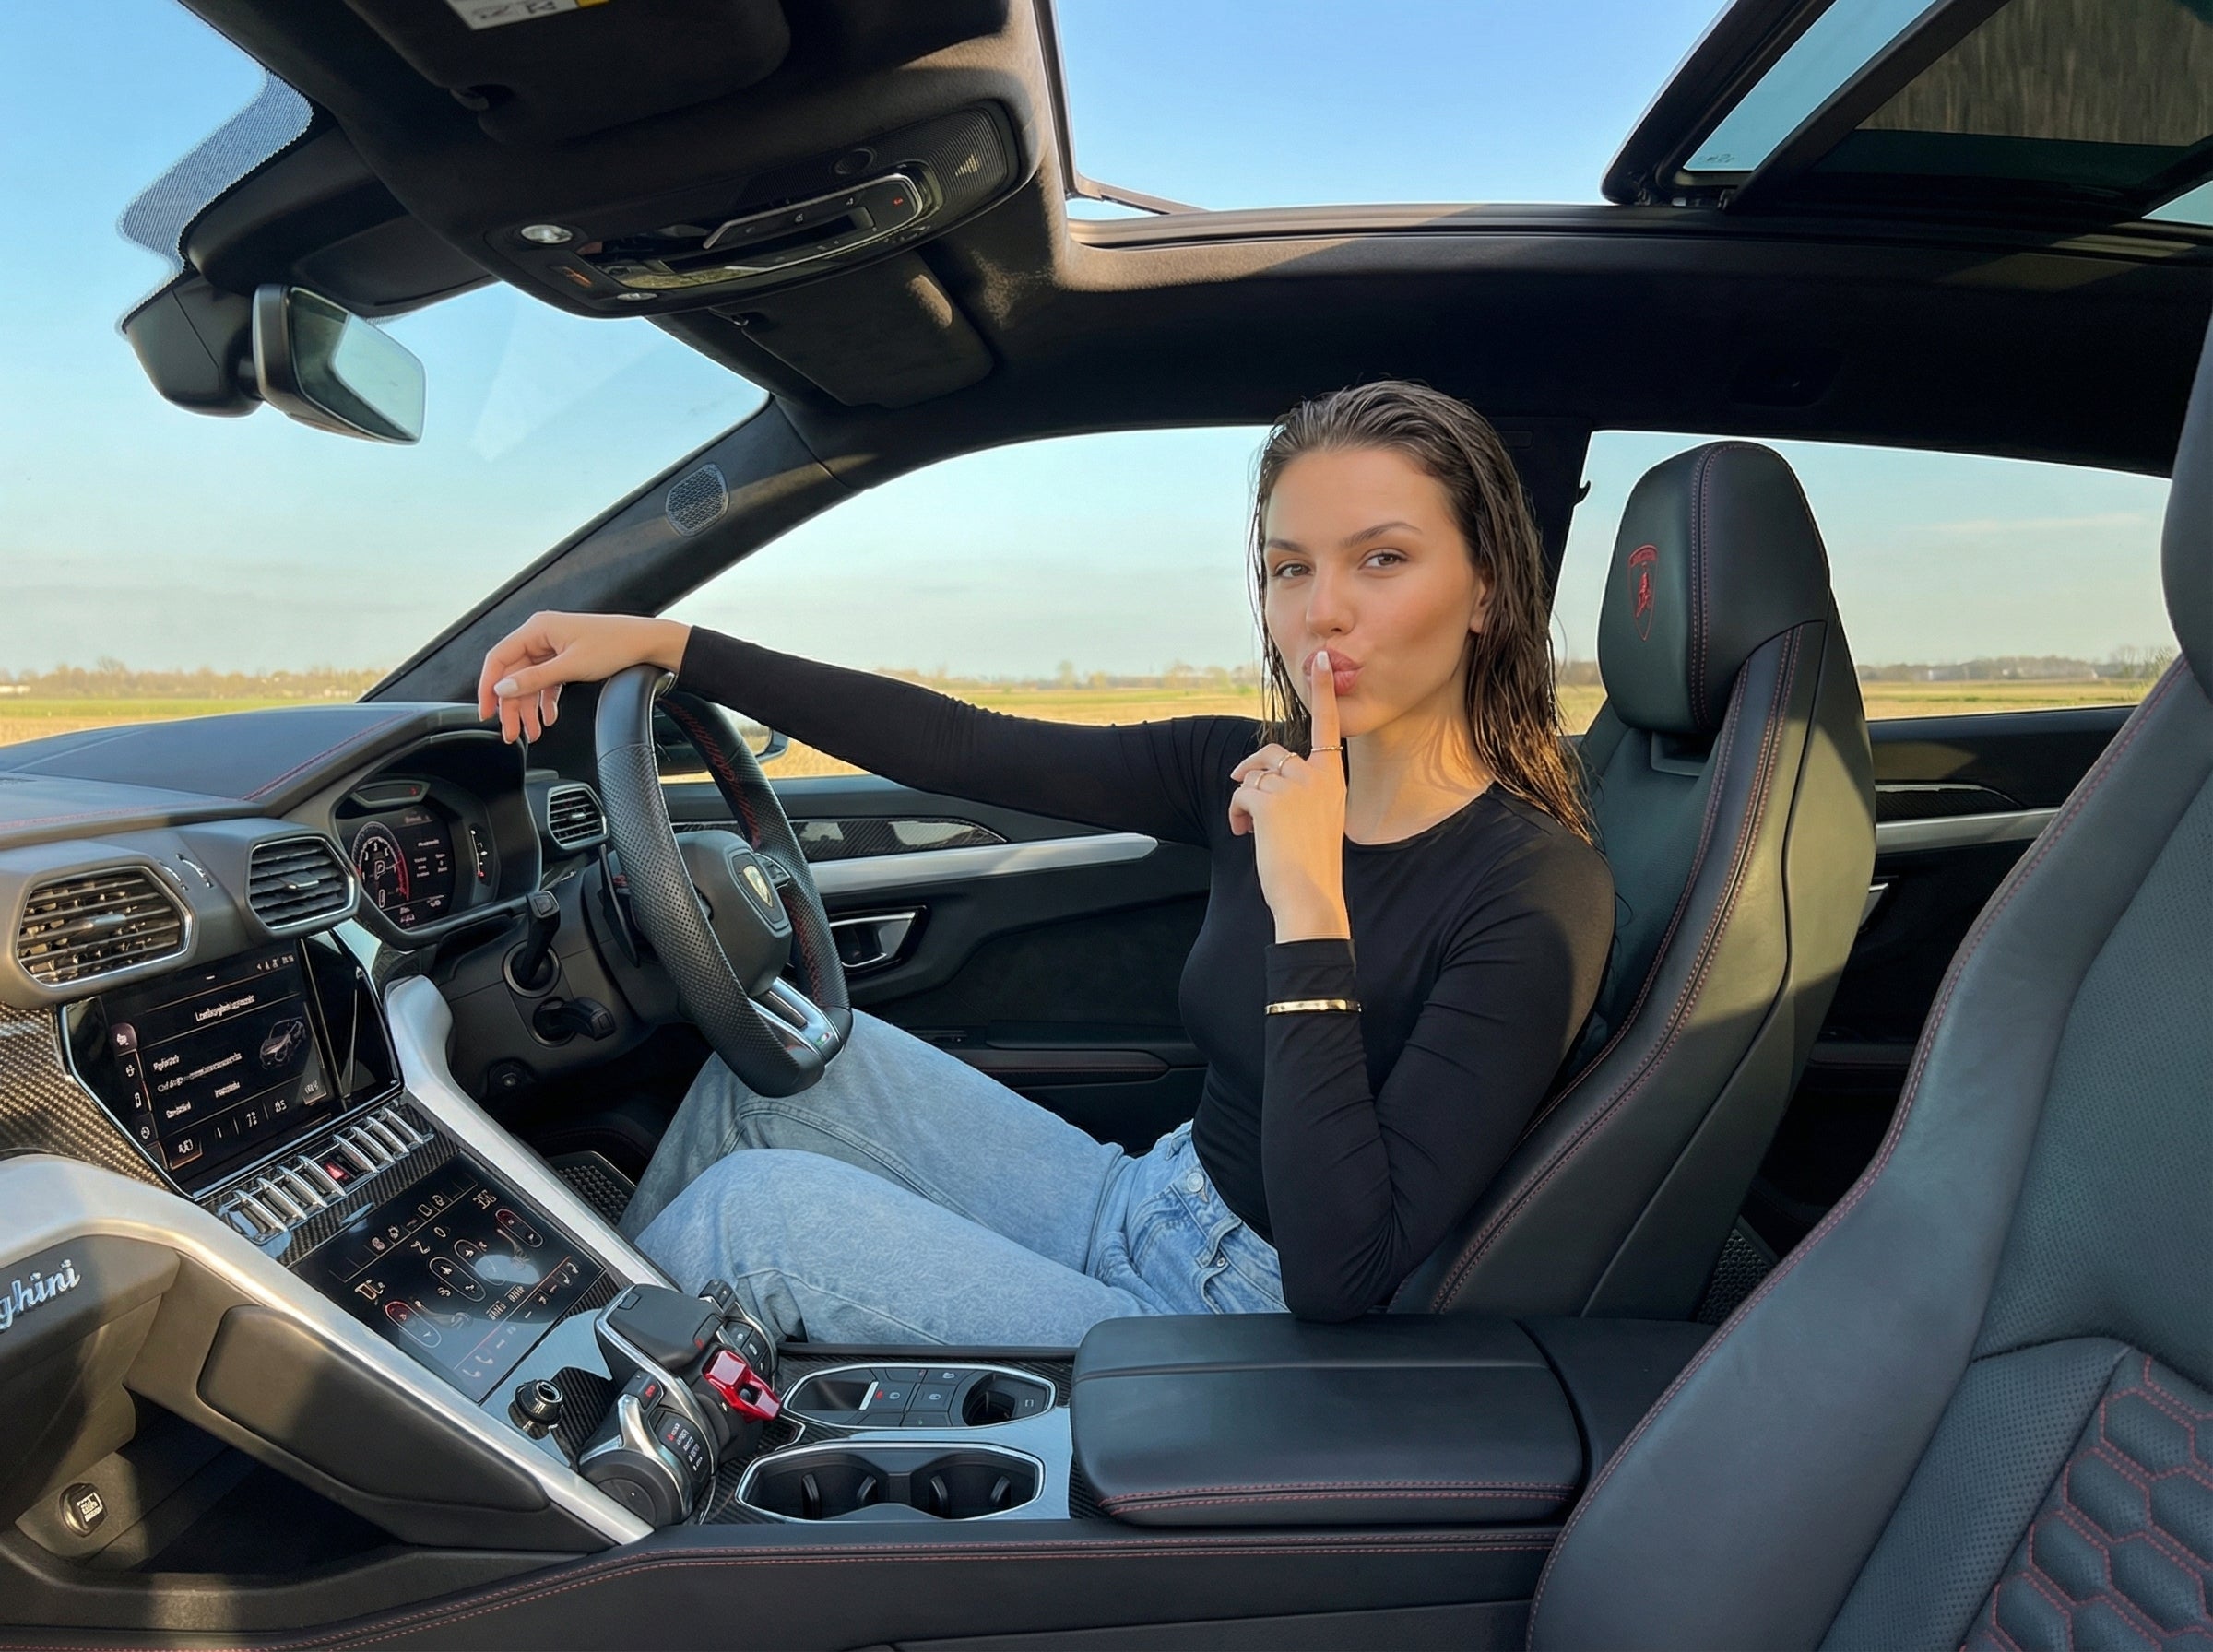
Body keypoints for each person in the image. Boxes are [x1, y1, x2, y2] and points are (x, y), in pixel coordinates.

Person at [479, 380, 1615, 1345]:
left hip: (1235, 1320)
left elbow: (1341, 1271)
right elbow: (968, 747)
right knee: (782, 1068)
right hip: (1147, 1192)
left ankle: (546, 1436)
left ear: (1486, 589)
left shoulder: (1534, 890)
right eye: (1289, 568)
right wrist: (672, 645)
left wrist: (1309, 902)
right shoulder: (1245, 765)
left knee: (750, 1219)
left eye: (1382, 559)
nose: (1323, 612)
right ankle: (615, 1390)